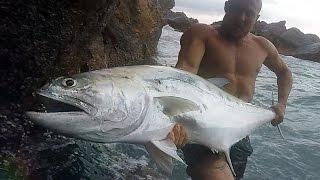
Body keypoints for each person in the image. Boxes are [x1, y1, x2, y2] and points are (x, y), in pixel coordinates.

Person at [167, 0, 293, 179]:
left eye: (249, 13)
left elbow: (284, 72)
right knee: (216, 174)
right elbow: (184, 72)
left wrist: (282, 104)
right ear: (227, 6)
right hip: (203, 124)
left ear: (257, 17)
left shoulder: (263, 46)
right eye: (237, 10)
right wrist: (174, 116)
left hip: (240, 130)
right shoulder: (202, 35)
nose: (241, 18)